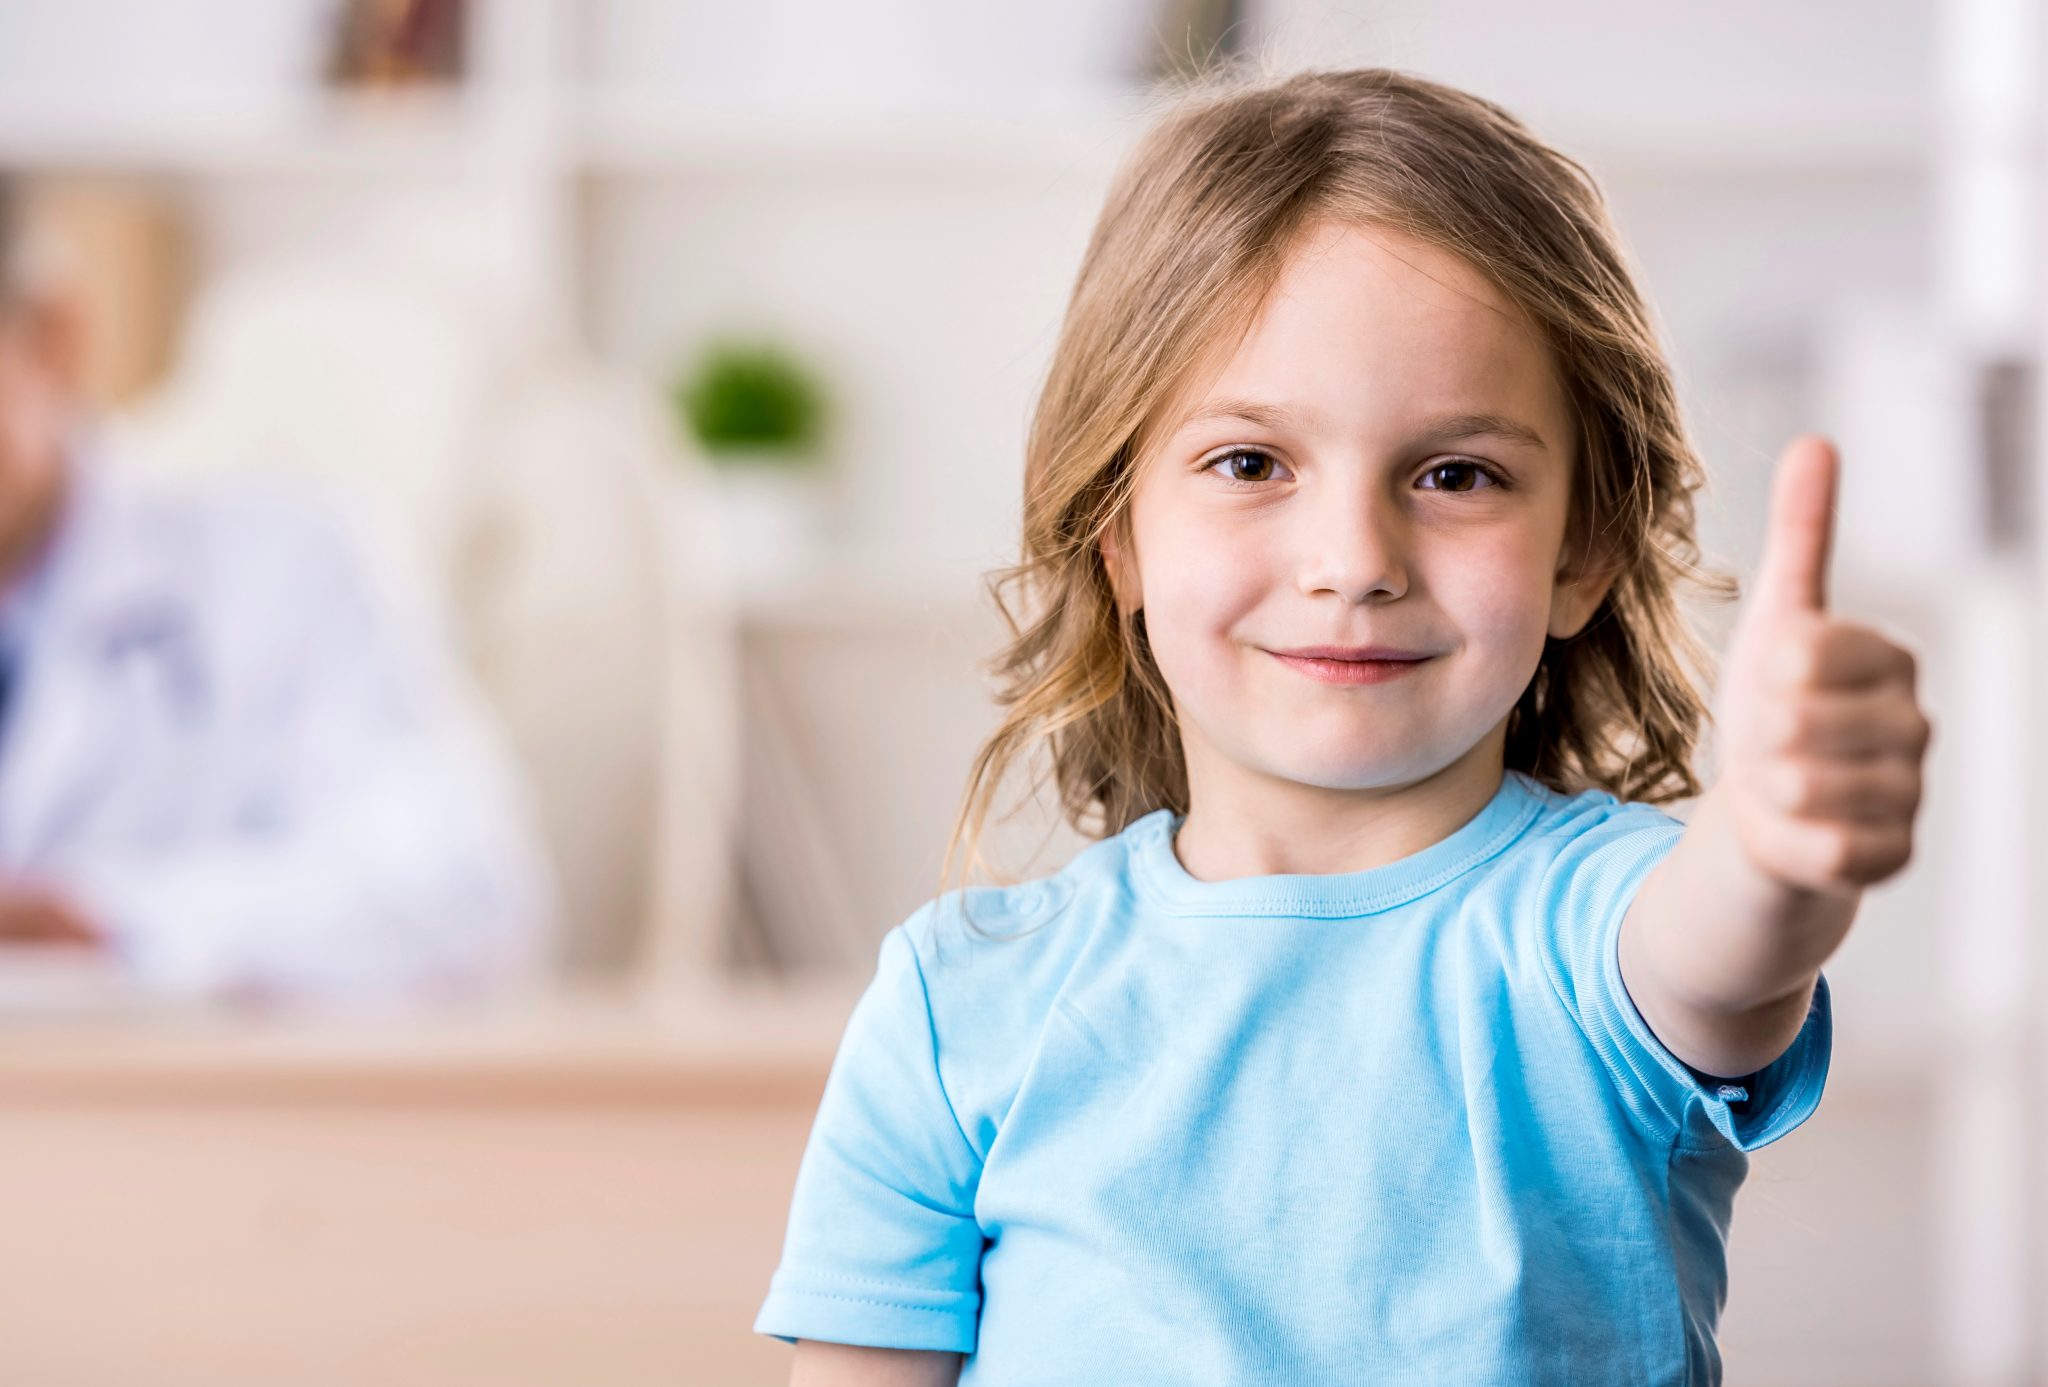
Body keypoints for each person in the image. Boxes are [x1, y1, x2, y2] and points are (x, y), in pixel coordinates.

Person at [753, 66, 1933, 1385]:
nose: (1353, 557)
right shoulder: (953, 1005)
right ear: (1117, 533)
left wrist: (1775, 846)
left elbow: (1726, 953)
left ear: (1582, 551)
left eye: (1454, 474)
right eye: (1250, 463)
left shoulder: (1599, 930)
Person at [0, 181, 554, 1002]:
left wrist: (97, 918)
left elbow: (463, 893)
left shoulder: (290, 570)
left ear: (54, 339)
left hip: (166, 1118)